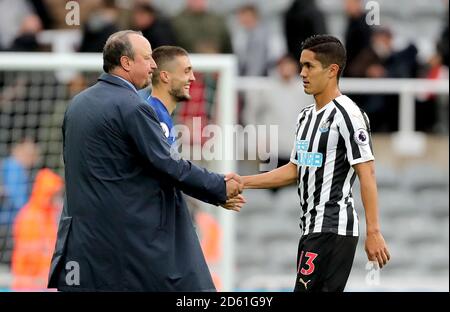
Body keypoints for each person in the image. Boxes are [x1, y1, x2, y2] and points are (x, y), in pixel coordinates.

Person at [47, 30, 244, 292]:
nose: (153, 65)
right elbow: (169, 166)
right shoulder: (133, 107)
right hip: (125, 250)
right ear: (126, 63)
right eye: (147, 58)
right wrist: (219, 186)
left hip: (82, 249)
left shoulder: (77, 104)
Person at [240, 35, 390, 292]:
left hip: (333, 227)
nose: (301, 73)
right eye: (301, 65)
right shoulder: (306, 117)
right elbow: (296, 169)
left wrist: (373, 231)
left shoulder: (348, 115)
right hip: (312, 228)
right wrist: (243, 181)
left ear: (332, 71)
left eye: (309, 66)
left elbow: (367, 174)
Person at [12, 168, 63, 290]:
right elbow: (29, 256)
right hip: (28, 282)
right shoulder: (29, 217)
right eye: (54, 193)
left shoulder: (51, 214)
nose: (57, 198)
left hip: (44, 280)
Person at [0, 138, 40, 265]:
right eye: (30, 155)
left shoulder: (14, 167)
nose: (32, 160)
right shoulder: (13, 166)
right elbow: (16, 197)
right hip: (9, 222)